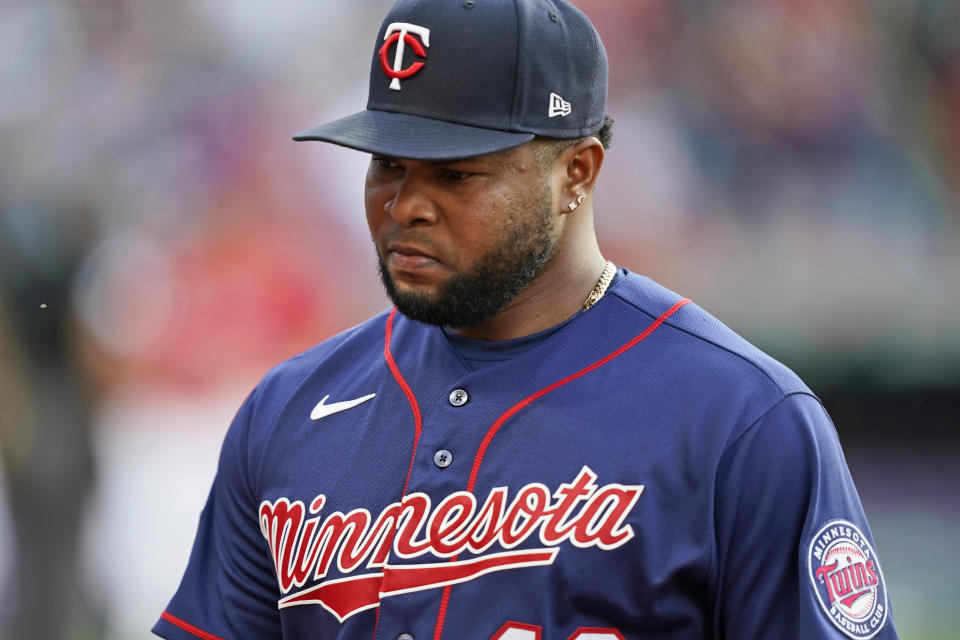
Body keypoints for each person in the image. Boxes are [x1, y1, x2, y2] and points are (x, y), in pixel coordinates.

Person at [153, 1, 898, 639]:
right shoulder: (286, 412)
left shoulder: (743, 421)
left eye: (455, 173)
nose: (405, 205)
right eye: (387, 162)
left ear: (578, 170)